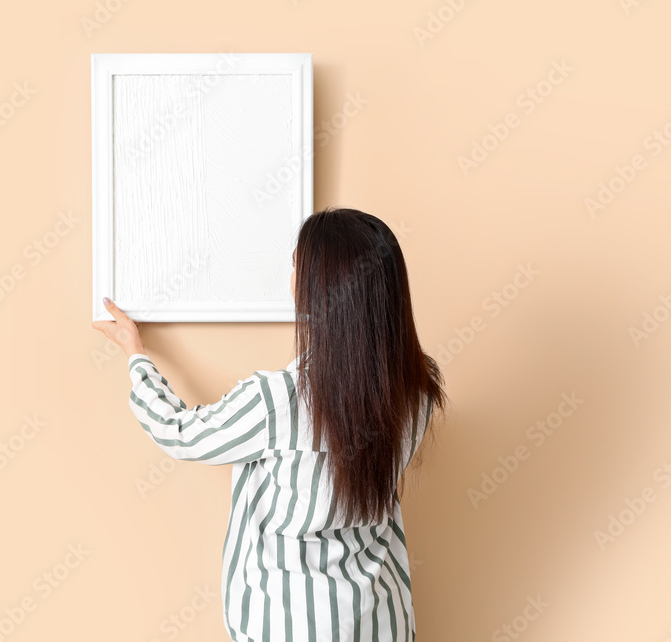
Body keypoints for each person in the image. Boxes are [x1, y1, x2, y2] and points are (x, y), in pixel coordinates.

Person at [92, 206, 447, 642]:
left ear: (319, 290)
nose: (292, 275)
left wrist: (136, 353)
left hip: (288, 628)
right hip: (379, 621)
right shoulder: (417, 394)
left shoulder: (280, 399)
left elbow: (178, 431)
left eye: (297, 265)